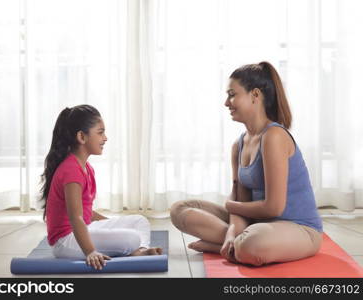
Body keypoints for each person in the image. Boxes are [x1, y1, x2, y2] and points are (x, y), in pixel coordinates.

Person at [170, 62, 323, 266]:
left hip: (299, 229)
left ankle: (227, 246)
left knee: (252, 243)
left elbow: (274, 208)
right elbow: (241, 204)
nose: (227, 102)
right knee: (180, 209)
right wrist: (233, 232)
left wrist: (231, 205)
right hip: (259, 225)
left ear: (255, 95)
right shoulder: (239, 144)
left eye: (232, 94)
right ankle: (233, 243)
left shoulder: (274, 136)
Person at [40, 104, 161, 270]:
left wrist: (116, 225)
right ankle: (135, 248)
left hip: (82, 229)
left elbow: (85, 212)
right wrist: (90, 252)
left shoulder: (86, 168)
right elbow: (76, 218)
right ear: (82, 137)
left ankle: (139, 250)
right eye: (100, 132)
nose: (105, 138)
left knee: (140, 221)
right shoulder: (71, 170)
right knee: (131, 238)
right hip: (66, 241)